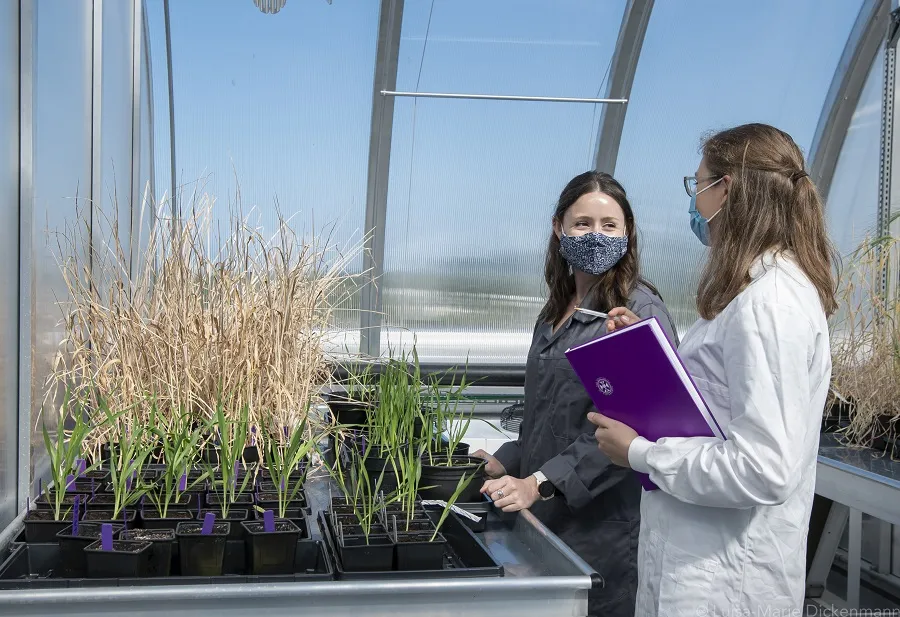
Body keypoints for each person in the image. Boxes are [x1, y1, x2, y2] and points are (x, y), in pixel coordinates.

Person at [590, 123, 836, 616]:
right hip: (696, 561)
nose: (695, 202)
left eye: (696, 184)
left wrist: (640, 453)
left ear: (728, 190)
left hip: (723, 580)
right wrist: (650, 353)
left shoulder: (770, 304)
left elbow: (764, 470)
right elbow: (722, 403)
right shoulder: (751, 293)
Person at [472, 171, 678, 617]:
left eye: (609, 225)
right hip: (545, 518)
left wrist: (539, 483)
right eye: (583, 223)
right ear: (558, 228)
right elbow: (546, 413)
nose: (596, 235)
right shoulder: (554, 313)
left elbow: (634, 428)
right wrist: (506, 458)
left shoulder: (636, 310)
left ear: (628, 234)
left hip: (601, 527)